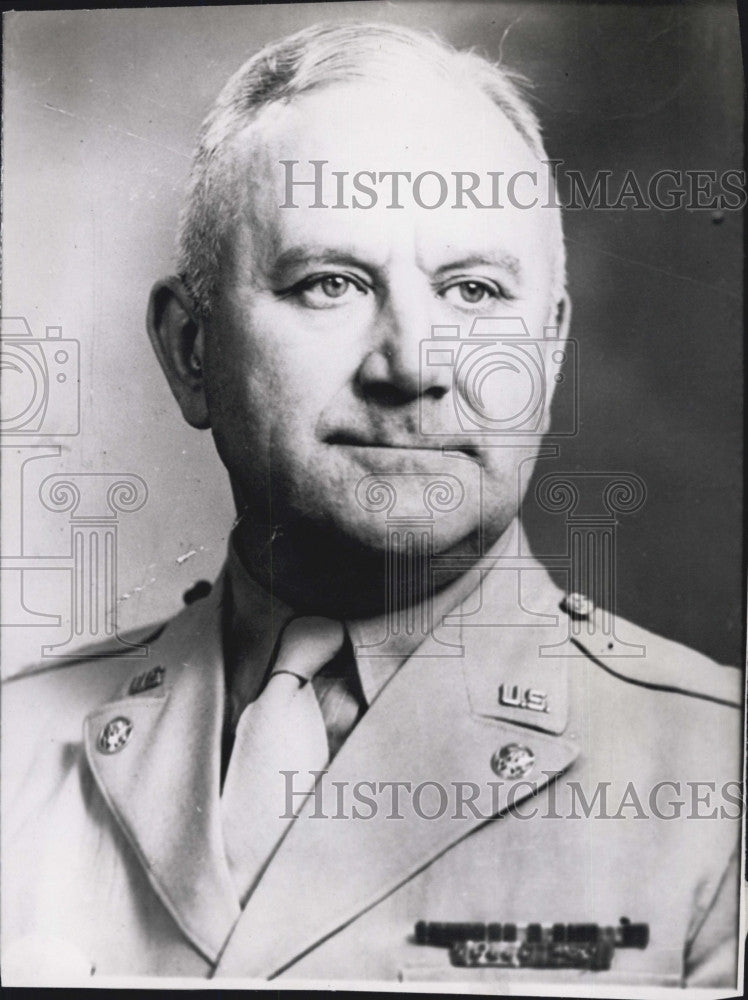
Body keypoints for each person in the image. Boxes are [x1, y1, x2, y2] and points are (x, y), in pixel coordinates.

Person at [2, 22, 741, 988]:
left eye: (474, 290)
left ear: (550, 353)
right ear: (191, 351)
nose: (413, 366)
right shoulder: (15, 749)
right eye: (331, 283)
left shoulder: (720, 783)